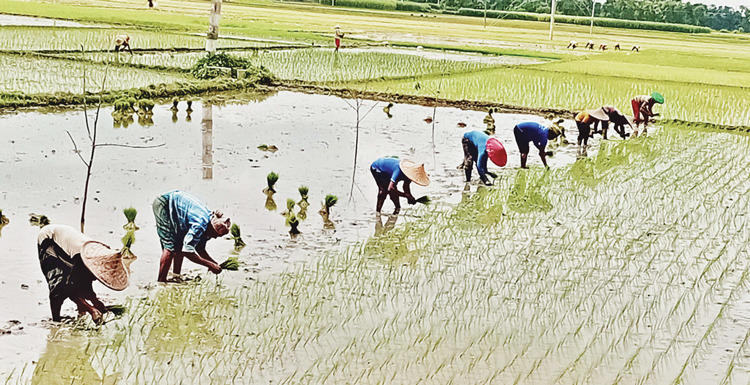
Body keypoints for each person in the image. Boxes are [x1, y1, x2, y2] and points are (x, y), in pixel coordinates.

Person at [37, 224, 132, 323]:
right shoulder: (83, 259)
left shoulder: (101, 255)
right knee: (58, 285)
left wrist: (95, 300)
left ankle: (81, 310)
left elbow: (86, 283)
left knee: (79, 280)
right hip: (49, 239)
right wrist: (91, 309)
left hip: (69, 242)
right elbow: (70, 289)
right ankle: (56, 321)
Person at [152, 190, 231, 282]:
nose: (214, 238)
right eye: (215, 235)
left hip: (175, 210)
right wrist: (210, 265)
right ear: (212, 229)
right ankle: (161, 281)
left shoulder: (208, 222)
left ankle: (176, 275)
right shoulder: (200, 224)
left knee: (179, 244)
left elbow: (200, 248)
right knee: (169, 247)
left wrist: (214, 263)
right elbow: (187, 252)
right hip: (164, 203)